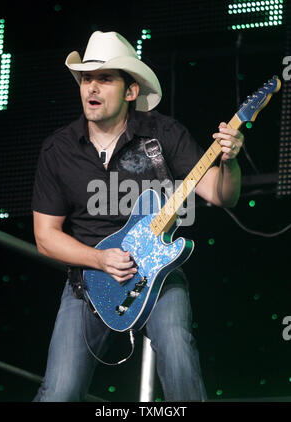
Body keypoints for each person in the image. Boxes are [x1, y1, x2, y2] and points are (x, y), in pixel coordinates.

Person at [31, 31, 243, 402]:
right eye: (86, 79)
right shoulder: (59, 150)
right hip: (90, 282)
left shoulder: (163, 134)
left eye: (105, 78)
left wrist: (231, 161)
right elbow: (45, 236)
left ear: (130, 91)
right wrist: (99, 258)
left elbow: (221, 194)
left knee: (179, 359)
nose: (92, 88)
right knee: (59, 391)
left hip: (159, 275)